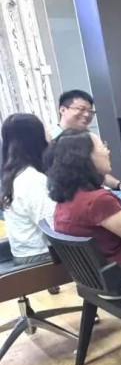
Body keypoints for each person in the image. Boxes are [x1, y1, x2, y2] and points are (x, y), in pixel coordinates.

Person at [46, 130, 121, 297]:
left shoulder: (64, 200)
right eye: (103, 146)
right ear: (86, 157)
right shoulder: (98, 201)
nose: (108, 151)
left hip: (93, 282)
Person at [50, 89, 121, 230]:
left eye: (90, 111)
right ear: (63, 110)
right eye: (81, 109)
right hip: (85, 198)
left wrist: (119, 184)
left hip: (100, 191)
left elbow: (96, 172)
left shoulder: (89, 135)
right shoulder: (53, 142)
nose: (87, 115)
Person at [1, 114, 56, 273]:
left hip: (25, 254)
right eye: (44, 129)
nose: (49, 134)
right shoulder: (32, 180)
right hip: (42, 257)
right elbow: (54, 227)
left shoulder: (13, 175)